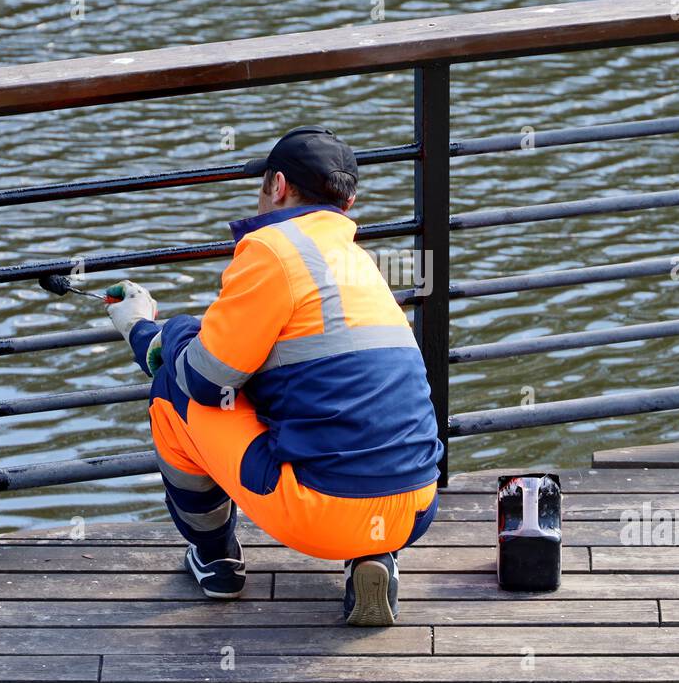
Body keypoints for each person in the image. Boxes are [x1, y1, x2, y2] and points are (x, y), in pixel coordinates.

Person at [103, 126, 443, 626]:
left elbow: (204, 379)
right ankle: (374, 555)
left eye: (262, 184)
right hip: (416, 507)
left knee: (172, 395)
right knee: (340, 413)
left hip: (321, 515)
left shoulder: (273, 249)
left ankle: (216, 558)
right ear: (348, 201)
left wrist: (146, 328)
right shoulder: (361, 263)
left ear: (278, 185)